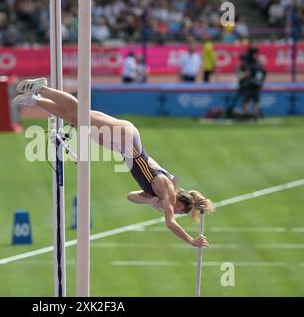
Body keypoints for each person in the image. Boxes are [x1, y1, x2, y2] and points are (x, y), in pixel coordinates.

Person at [12, 78, 213, 248]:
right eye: (180, 210)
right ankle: (40, 88)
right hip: (127, 138)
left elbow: (131, 196)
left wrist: (151, 201)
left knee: (76, 119)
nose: (175, 212)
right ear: (180, 202)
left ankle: (35, 100)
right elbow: (170, 223)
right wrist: (190, 240)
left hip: (120, 146)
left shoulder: (157, 195)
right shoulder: (168, 189)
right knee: (81, 114)